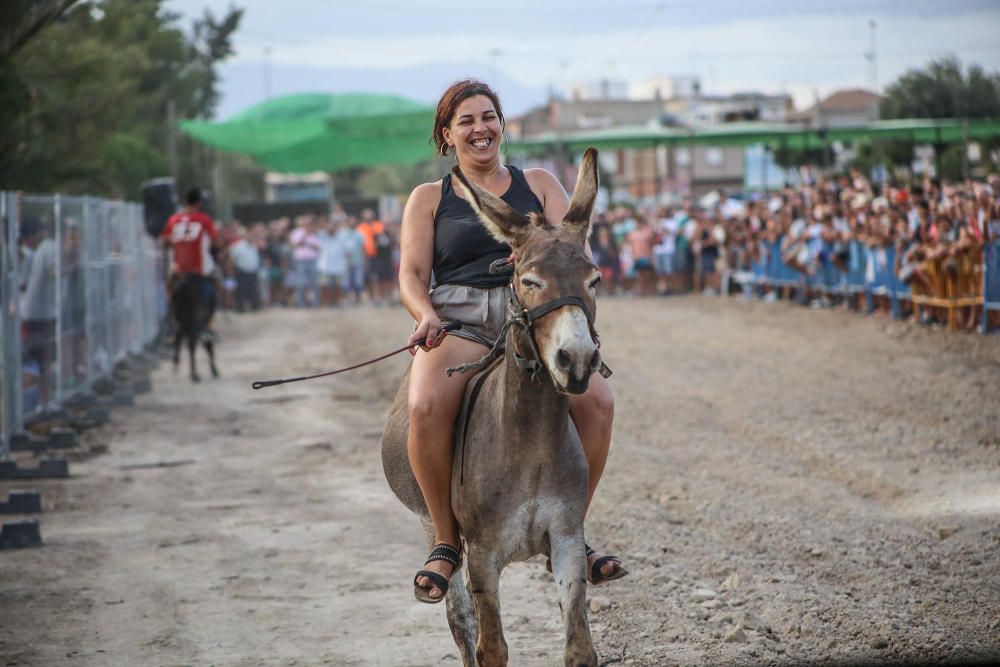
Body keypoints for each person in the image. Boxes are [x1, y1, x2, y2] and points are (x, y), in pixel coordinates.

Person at [398, 79, 621, 604]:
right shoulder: (429, 198)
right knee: (426, 404)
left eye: (489, 116)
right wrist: (425, 313)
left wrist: (579, 320)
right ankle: (447, 541)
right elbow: (411, 272)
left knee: (600, 402)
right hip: (461, 319)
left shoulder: (541, 183)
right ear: (446, 135)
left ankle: (573, 533)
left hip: (534, 317)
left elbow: (571, 253)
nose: (481, 128)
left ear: (503, 124)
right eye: (467, 121)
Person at [160, 187, 222, 331]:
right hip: (199, 270)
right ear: (199, 203)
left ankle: (172, 321)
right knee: (217, 285)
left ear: (184, 202)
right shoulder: (204, 219)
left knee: (169, 289)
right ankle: (208, 324)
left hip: (178, 269)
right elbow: (216, 242)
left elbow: (165, 242)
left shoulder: (173, 219)